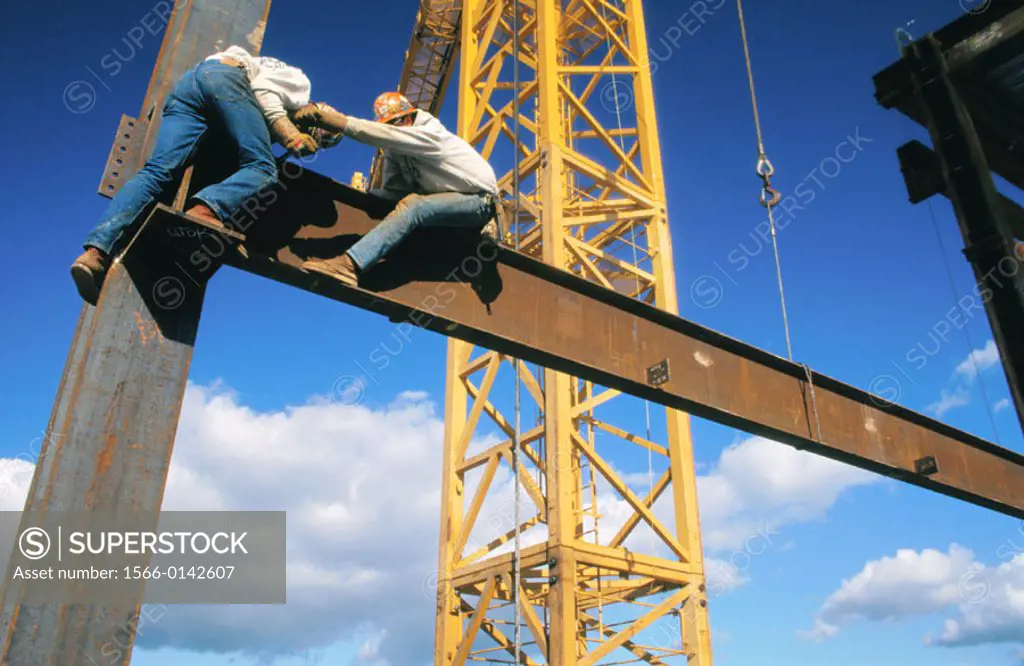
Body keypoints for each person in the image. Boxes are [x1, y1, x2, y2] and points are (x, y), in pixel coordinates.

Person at [70, 45, 327, 305]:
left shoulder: (258, 99)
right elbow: (263, 91)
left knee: (157, 172)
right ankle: (204, 211)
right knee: (263, 167)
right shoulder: (300, 85)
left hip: (191, 86)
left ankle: (95, 254)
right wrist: (289, 133)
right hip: (224, 78)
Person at [292, 92, 502, 287]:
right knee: (402, 206)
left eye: (395, 123)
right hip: (448, 210)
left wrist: (333, 121)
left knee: (414, 206)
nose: (393, 128)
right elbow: (393, 192)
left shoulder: (430, 134)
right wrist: (361, 199)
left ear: (409, 118)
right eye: (389, 124)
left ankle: (349, 266)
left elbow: (378, 135)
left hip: (479, 203)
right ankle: (377, 271)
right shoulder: (397, 151)